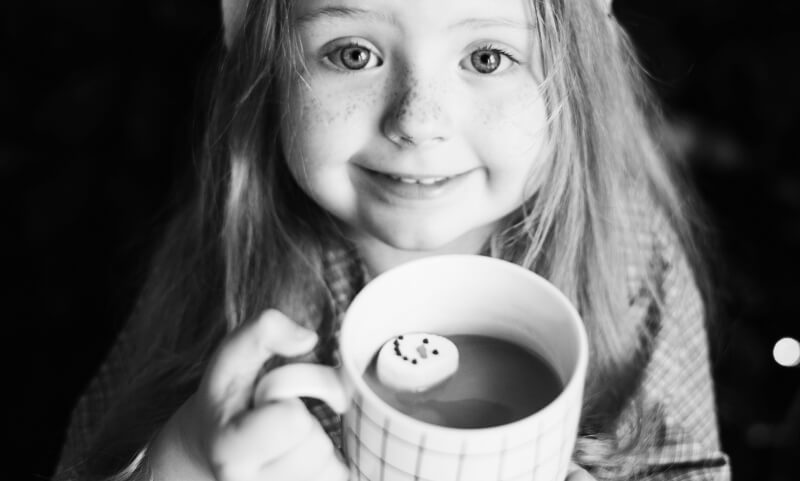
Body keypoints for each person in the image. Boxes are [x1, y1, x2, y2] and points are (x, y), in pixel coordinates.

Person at [53, 0, 731, 479]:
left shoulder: (628, 246)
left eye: (488, 55)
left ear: (571, 77)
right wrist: (185, 465)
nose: (417, 119)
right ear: (270, 75)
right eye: (353, 53)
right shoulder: (220, 253)